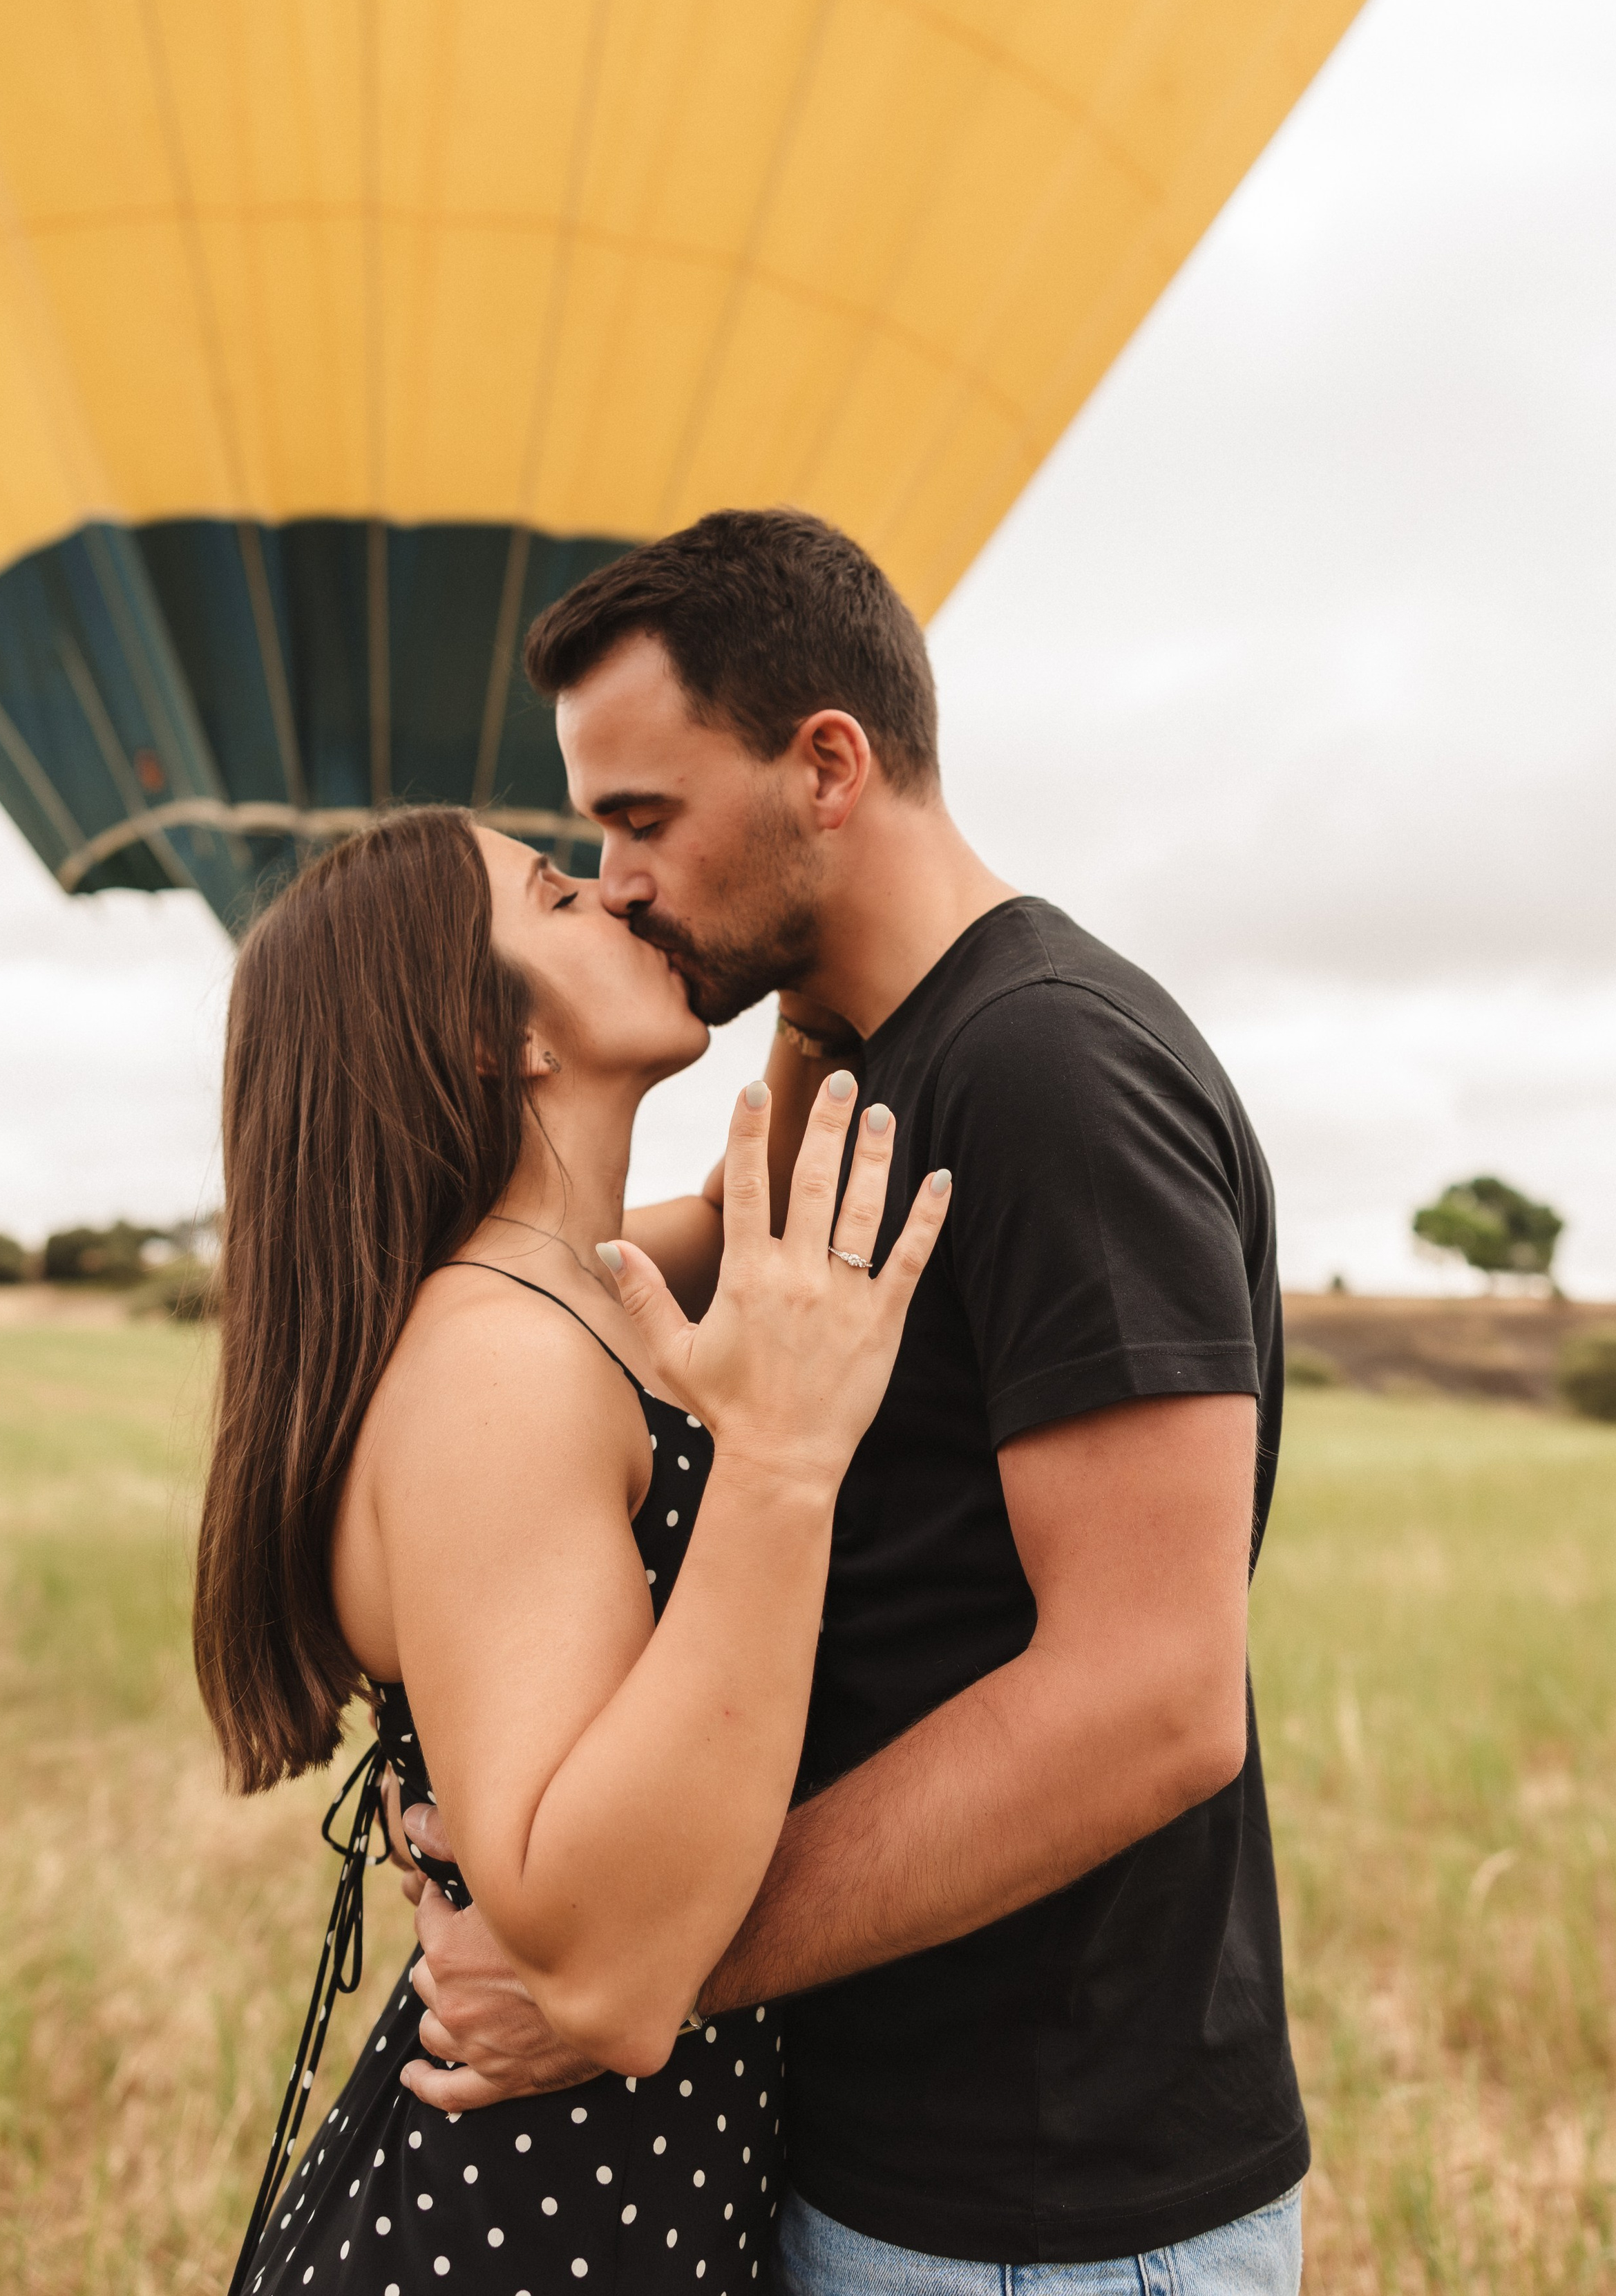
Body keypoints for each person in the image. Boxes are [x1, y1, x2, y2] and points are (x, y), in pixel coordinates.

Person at [397, 510, 1310, 2295]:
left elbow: (1154, 1696)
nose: (617, 877)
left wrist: (643, 1968)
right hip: (891, 2161)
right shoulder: (888, 1072)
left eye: (642, 818)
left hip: (1046, 2213)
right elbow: (595, 1270)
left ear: (829, 765)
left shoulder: (1045, 1068)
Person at [194, 804, 950, 2294]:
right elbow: (603, 1973)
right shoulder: (500, 1364)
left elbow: (763, 1193)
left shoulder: (578, 1292)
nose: (612, 892)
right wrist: (782, 1464)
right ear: (497, 1039)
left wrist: (798, 946)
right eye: (555, 895)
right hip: (538, 2237)